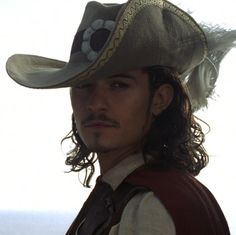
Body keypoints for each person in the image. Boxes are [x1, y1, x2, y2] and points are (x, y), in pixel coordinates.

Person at [6, 0, 236, 234]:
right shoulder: (124, 192)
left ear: (160, 99)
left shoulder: (151, 208)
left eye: (118, 85)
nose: (95, 103)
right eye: (84, 85)